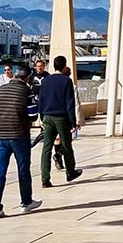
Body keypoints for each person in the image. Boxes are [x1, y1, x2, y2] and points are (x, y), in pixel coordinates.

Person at [0, 65, 41, 219]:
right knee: (23, 170)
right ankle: (26, 203)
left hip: (1, 137)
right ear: (27, 78)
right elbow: (33, 115)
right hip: (20, 136)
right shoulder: (27, 92)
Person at [37, 56, 82, 188]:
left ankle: (45, 179)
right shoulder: (66, 81)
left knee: (47, 147)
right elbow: (70, 104)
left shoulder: (45, 81)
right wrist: (73, 123)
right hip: (61, 118)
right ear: (64, 66)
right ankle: (70, 172)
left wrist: (41, 117)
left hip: (47, 117)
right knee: (66, 145)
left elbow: (41, 100)